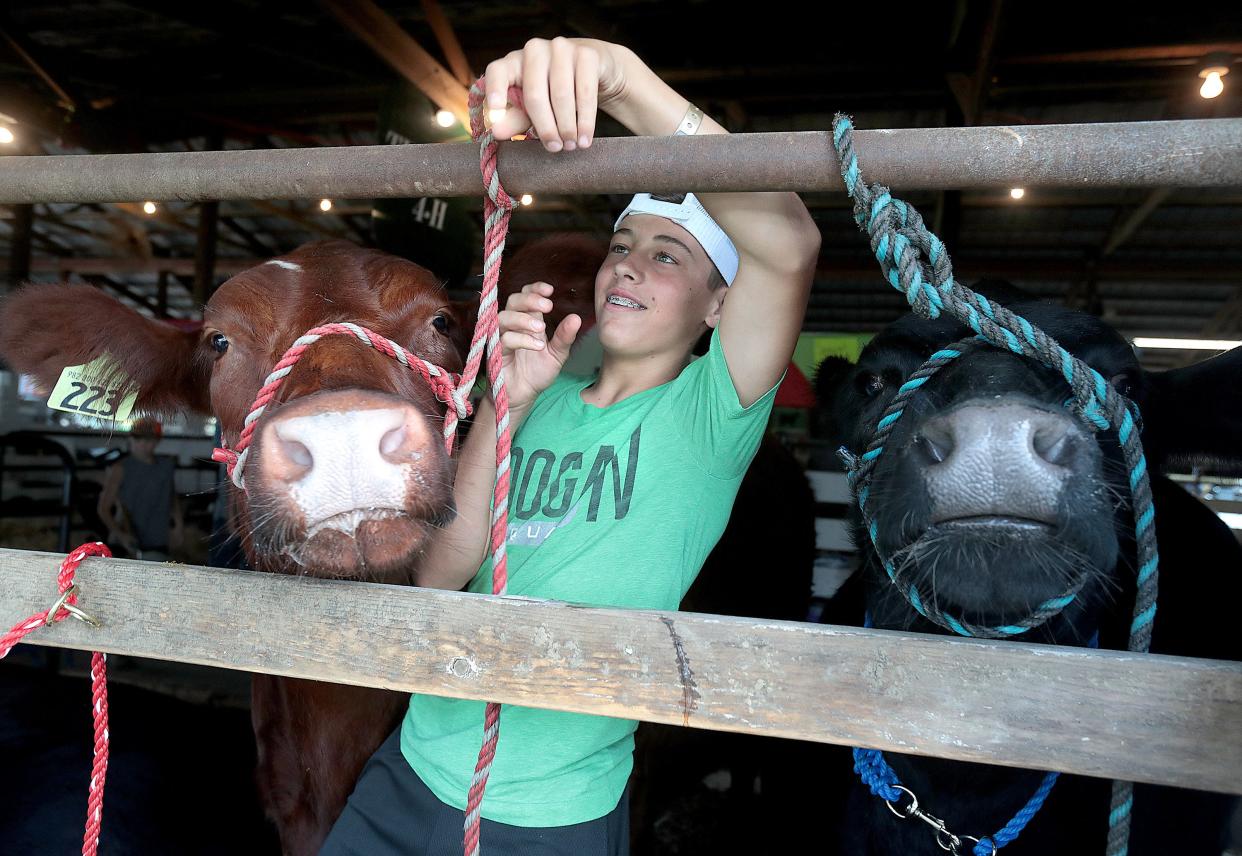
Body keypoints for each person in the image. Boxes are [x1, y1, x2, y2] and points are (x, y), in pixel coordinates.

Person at [321, 36, 820, 856]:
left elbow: (790, 245)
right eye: (622, 247)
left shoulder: (709, 413)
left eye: (668, 256)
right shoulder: (539, 396)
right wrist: (504, 406)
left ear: (717, 305)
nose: (629, 267)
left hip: (556, 815)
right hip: (410, 773)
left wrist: (622, 80)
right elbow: (442, 574)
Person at [97, 417, 183, 561]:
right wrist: (121, 535)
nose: (142, 444)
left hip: (157, 538)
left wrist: (178, 526)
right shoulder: (120, 468)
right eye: (138, 439)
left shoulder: (165, 466)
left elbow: (171, 496)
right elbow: (103, 508)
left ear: (156, 441)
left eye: (148, 440)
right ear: (131, 439)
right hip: (128, 541)